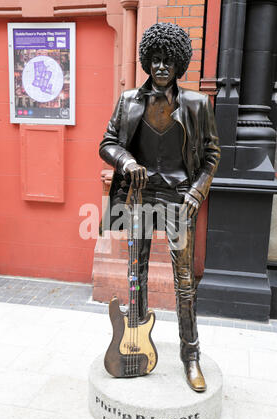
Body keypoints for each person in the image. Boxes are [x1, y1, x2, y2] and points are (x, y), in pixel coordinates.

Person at [99, 22, 221, 392]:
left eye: (168, 60)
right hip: (138, 197)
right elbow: (106, 143)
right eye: (155, 59)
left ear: (179, 63)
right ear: (147, 62)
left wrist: (196, 194)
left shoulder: (198, 105)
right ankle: (137, 346)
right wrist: (126, 162)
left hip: (179, 200)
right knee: (136, 274)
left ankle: (191, 356)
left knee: (184, 284)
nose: (161, 66)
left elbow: (212, 154)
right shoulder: (128, 102)